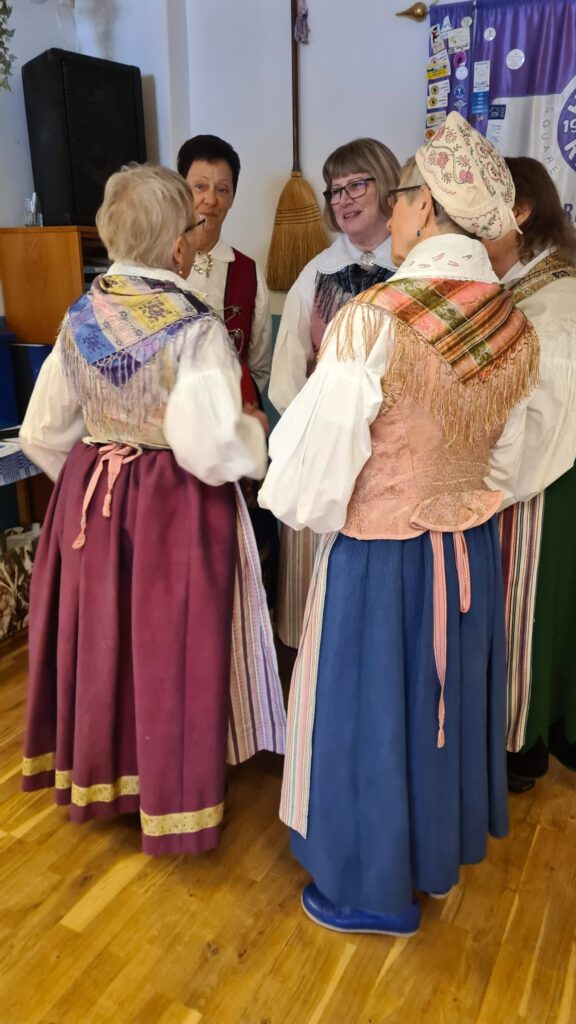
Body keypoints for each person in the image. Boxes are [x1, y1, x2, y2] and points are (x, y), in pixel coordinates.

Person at [259, 112, 539, 936]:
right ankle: (429, 858)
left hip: (381, 556)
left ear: (422, 206)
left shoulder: (375, 317)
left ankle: (368, 889)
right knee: (438, 712)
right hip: (466, 552)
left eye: (402, 194)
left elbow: (311, 472)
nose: (394, 209)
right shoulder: (510, 321)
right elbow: (514, 456)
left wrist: (309, 507)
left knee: (370, 715)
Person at [20, 164, 285, 856]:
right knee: (171, 644)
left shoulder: (79, 316)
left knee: (106, 639)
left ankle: (105, 777)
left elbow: (40, 432)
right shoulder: (194, 327)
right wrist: (255, 446)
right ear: (178, 247)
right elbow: (211, 447)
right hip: (174, 504)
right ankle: (171, 788)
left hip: (91, 501)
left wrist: (89, 479)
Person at [268, 138, 401, 648]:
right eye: (335, 190)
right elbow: (287, 373)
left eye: (355, 185)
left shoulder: (414, 269)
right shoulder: (316, 273)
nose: (343, 199)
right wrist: (317, 438)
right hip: (327, 451)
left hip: (393, 454)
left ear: (386, 185)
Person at [484, 157, 576, 792]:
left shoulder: (555, 302)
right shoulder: (524, 288)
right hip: (522, 474)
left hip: (541, 483)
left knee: (529, 610)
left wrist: (485, 484)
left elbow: (544, 421)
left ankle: (523, 742)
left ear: (520, 212)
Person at [177, 133, 278, 607]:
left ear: (233, 197)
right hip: (172, 438)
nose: (210, 200)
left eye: (222, 189)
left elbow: (258, 360)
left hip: (232, 431)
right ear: (181, 188)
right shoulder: (159, 265)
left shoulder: (246, 270)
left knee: (233, 557)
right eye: (199, 186)